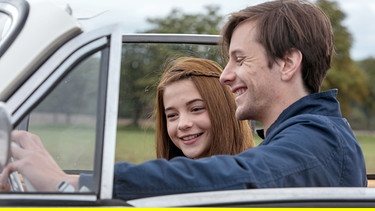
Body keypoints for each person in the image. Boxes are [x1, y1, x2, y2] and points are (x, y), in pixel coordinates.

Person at [1, 0, 367, 200]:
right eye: (172, 114)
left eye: (240, 59)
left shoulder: (317, 140)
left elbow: (238, 176)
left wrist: (74, 185)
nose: (225, 75)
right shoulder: (310, 137)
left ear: (288, 62)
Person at [154, 57, 254, 160]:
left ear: (224, 109)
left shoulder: (257, 172)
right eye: (172, 115)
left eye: (196, 109)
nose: (182, 124)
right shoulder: (167, 174)